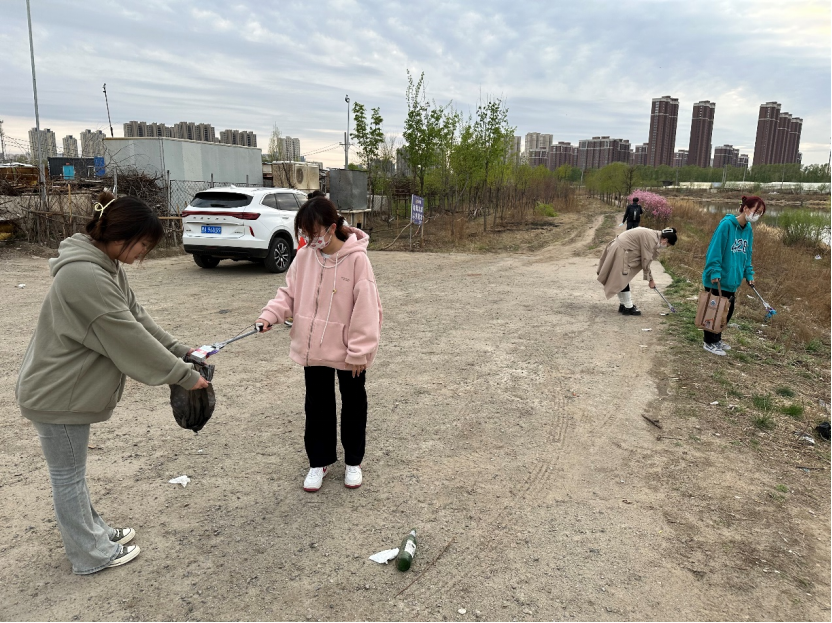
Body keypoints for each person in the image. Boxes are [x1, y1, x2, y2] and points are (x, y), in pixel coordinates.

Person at [15, 190, 209, 575]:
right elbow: (128, 337)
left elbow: (137, 317)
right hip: (57, 392)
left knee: (72, 474)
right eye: (144, 245)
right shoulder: (85, 275)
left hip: (64, 389)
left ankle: (95, 535)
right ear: (121, 238)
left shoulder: (104, 264)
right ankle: (90, 554)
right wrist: (184, 376)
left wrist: (182, 350)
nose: (144, 255)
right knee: (67, 477)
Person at [256, 196, 382, 492]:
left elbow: (367, 308)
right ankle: (319, 461)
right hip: (313, 346)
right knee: (317, 405)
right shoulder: (304, 256)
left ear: (332, 227)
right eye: (305, 234)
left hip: (349, 350)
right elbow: (288, 293)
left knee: (353, 403)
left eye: (314, 234)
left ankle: (353, 461)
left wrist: (359, 352)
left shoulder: (357, 260)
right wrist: (269, 315)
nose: (310, 240)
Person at [700, 195, 766, 356]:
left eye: (760, 213)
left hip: (732, 279)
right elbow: (715, 250)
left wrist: (748, 273)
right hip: (718, 278)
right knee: (713, 311)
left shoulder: (748, 230)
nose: (757, 215)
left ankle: (717, 339)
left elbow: (747, 254)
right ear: (745, 208)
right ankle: (709, 342)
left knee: (726, 312)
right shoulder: (726, 225)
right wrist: (715, 271)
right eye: (756, 211)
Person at [597, 226, 678, 316]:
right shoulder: (651, 239)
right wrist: (650, 280)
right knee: (623, 277)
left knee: (620, 278)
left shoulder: (654, 235)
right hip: (621, 249)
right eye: (668, 245)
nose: (666, 247)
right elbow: (646, 260)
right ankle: (628, 307)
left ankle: (623, 305)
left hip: (620, 247)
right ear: (665, 240)